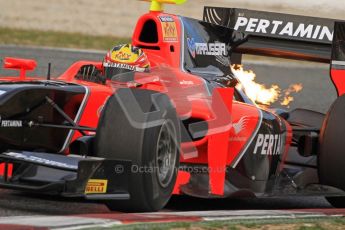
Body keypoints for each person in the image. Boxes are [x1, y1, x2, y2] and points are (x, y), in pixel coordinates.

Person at [76, 44, 150, 84]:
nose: (117, 82)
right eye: (112, 72)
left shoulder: (153, 95)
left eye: (126, 74)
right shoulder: (100, 82)